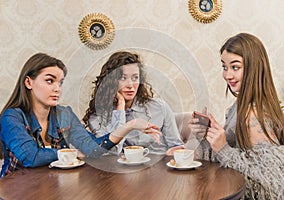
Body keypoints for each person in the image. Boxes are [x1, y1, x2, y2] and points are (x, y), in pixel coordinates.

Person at [0, 53, 160, 180]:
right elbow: (31, 157)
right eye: (50, 81)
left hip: (51, 187)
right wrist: (73, 152)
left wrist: (129, 126)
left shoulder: (64, 114)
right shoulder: (12, 117)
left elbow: (92, 148)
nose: (57, 88)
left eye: (60, 82)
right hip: (15, 192)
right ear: (28, 82)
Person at [188, 33, 284, 199]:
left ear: (254, 68)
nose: (227, 75)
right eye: (224, 67)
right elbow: (230, 157)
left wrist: (223, 149)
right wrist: (206, 137)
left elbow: (272, 185)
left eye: (235, 67)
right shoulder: (240, 105)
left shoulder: (255, 114)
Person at [83, 51, 184, 154]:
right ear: (111, 81)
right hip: (124, 169)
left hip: (159, 166)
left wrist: (174, 152)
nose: (130, 85)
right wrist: (120, 107)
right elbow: (113, 152)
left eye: (135, 78)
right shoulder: (98, 118)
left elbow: (176, 145)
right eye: (123, 78)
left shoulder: (159, 107)